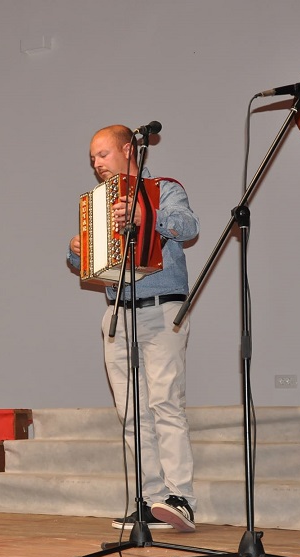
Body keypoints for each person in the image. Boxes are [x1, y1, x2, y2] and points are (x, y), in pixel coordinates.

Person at [67, 124, 200, 532]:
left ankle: (181, 499)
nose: (96, 164)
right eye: (92, 159)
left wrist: (147, 214)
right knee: (131, 413)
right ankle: (147, 498)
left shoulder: (164, 189)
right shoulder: (99, 204)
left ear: (129, 149)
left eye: (102, 155)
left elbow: (189, 227)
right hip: (118, 312)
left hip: (161, 310)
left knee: (165, 404)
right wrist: (76, 251)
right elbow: (87, 268)